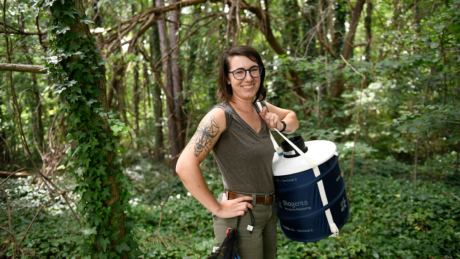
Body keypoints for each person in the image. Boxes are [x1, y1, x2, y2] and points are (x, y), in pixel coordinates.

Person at [176, 45, 299, 259]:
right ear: (227, 79)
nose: (248, 78)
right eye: (239, 72)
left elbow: (293, 118)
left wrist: (279, 124)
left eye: (254, 70)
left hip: (269, 212)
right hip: (241, 217)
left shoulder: (261, 108)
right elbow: (184, 165)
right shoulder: (221, 116)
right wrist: (218, 209)